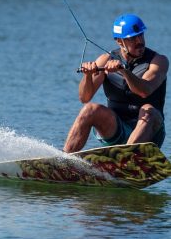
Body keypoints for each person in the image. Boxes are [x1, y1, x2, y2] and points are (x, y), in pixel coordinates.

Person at [64, 14, 168, 153]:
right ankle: (64, 159)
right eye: (132, 38)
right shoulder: (105, 59)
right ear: (120, 42)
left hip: (150, 133)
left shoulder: (158, 61)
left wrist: (124, 71)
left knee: (148, 109)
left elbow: (145, 90)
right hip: (116, 128)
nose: (139, 41)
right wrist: (88, 76)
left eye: (141, 35)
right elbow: (84, 97)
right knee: (90, 109)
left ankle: (125, 158)